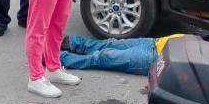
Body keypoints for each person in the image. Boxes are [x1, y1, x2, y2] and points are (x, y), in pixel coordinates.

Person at [59, 33, 190, 75]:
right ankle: (72, 43)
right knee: (110, 43)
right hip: (159, 42)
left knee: (105, 57)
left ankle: (61, 58)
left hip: (161, 57)